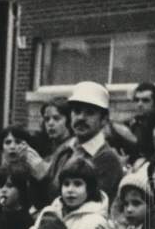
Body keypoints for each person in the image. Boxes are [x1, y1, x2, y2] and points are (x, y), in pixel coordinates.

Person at [28, 81, 123, 212]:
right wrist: (36, 178)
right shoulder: (65, 150)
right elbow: (42, 203)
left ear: (104, 120)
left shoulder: (107, 159)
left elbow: (85, 207)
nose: (81, 118)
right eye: (77, 111)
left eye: (90, 113)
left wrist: (43, 178)